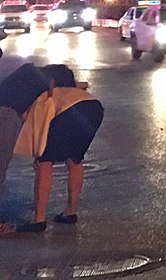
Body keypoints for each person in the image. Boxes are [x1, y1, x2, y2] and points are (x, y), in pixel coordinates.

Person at [13, 64, 105, 234]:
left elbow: (40, 126)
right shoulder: (72, 90)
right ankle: (70, 212)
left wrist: (38, 155)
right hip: (94, 108)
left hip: (68, 111)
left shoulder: (44, 97)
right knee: (75, 160)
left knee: (45, 163)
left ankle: (39, 219)